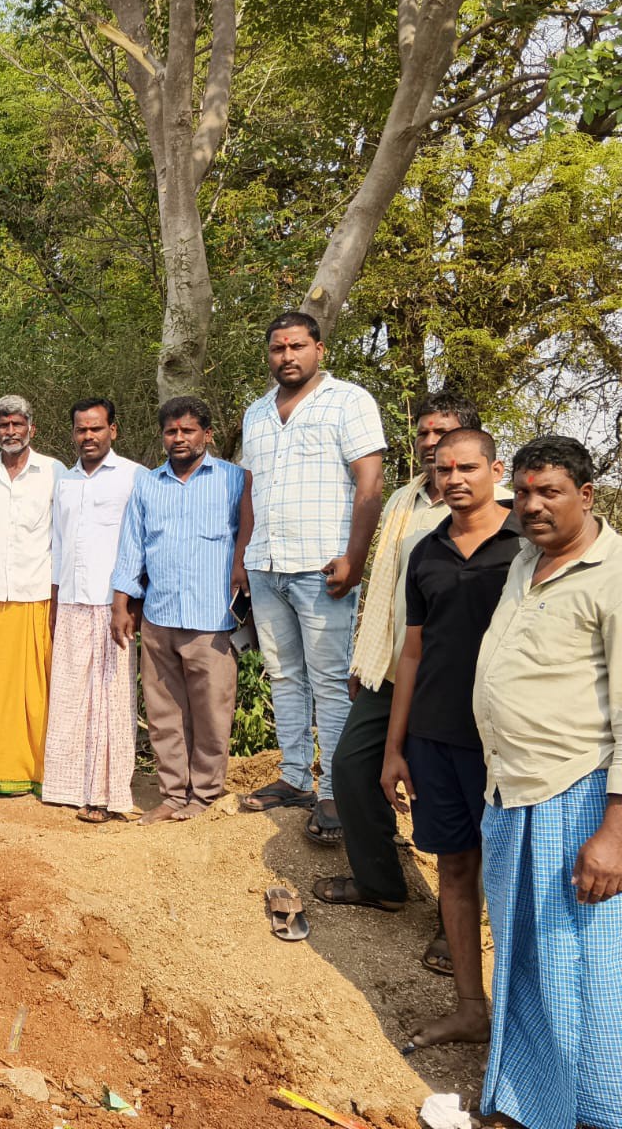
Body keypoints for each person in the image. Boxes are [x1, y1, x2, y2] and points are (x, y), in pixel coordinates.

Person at [471, 436, 622, 1129]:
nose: (531, 506)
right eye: (524, 492)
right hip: (512, 788)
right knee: (525, 956)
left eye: (549, 492)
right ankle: (530, 1102)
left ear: (586, 496)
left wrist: (613, 833)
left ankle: (597, 1110)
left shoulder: (613, 575)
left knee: (581, 966)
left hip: (579, 794)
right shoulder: (526, 559)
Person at [314, 392, 485, 979]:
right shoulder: (404, 499)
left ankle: (455, 924)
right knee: (351, 766)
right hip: (390, 666)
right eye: (424, 433)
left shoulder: (492, 510)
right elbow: (384, 586)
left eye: (444, 433)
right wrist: (364, 659)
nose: (432, 444)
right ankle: (380, 883)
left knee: (450, 792)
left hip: (453, 680)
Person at [378, 429, 518, 1054]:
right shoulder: (425, 550)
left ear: (496, 469)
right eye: (443, 469)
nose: (454, 478)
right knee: (455, 868)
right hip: (435, 737)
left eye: (467, 467)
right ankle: (469, 1009)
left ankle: (524, 1025)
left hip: (509, 742)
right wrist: (395, 748)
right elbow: (412, 651)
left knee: (515, 880)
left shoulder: (530, 541)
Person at [239, 312, 386, 846]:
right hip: (266, 563)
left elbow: (370, 482)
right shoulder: (257, 412)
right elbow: (250, 490)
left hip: (323, 566)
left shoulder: (349, 401)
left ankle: (337, 790)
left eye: (297, 346)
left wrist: (355, 556)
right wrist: (243, 557)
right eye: (278, 348)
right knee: (283, 675)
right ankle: (296, 777)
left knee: (329, 680)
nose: (287, 356)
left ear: (319, 349)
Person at [109, 396, 249, 823]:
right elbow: (132, 547)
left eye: (188, 430)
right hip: (160, 615)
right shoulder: (148, 484)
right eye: (171, 431)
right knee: (164, 713)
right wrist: (121, 603)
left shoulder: (235, 480)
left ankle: (204, 796)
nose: (179, 438)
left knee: (212, 713)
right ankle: (172, 794)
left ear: (207, 434)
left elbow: (247, 538)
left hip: (213, 619)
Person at [41, 398, 145, 823]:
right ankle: (68, 788)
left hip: (112, 604)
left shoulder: (133, 476)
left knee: (111, 701)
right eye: (81, 429)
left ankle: (107, 793)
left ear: (112, 431)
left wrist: (130, 601)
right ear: (73, 433)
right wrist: (54, 600)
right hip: (70, 601)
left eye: (96, 428)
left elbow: (140, 544)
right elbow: (58, 545)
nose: (88, 436)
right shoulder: (65, 482)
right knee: (70, 698)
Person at [0, 396, 65, 796]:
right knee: (0, 693)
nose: (10, 431)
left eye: (17, 424)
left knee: (43, 691)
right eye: (3, 425)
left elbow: (64, 537)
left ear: (32, 428)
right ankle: (2, 774)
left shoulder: (54, 472)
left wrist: (60, 596)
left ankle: (48, 773)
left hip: (41, 594)